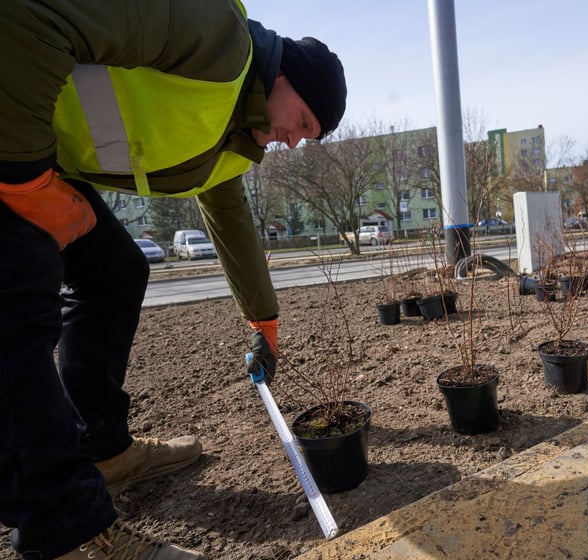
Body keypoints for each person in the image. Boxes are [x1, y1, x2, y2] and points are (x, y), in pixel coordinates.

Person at [0, 0, 346, 558]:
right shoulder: (210, 30)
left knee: (115, 271)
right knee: (18, 300)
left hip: (38, 160)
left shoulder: (233, 132)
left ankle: (104, 449)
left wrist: (264, 318)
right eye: (304, 123)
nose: (294, 142)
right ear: (285, 77)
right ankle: (67, 531)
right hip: (14, 146)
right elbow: (27, 14)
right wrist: (25, 182)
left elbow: (228, 214)